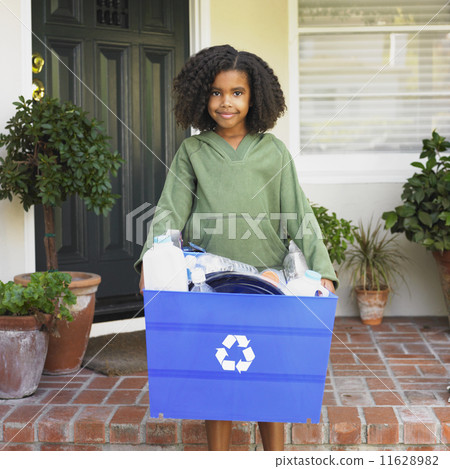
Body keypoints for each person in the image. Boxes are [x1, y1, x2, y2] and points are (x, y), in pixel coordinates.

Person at [136, 44, 337, 451]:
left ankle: (276, 456)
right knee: (219, 375)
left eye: (237, 93)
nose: (225, 102)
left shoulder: (273, 151)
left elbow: (299, 214)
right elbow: (170, 211)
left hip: (269, 281)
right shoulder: (193, 151)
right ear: (201, 97)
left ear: (254, 97)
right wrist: (152, 260)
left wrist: (323, 271)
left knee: (270, 377)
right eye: (215, 92)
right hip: (212, 285)